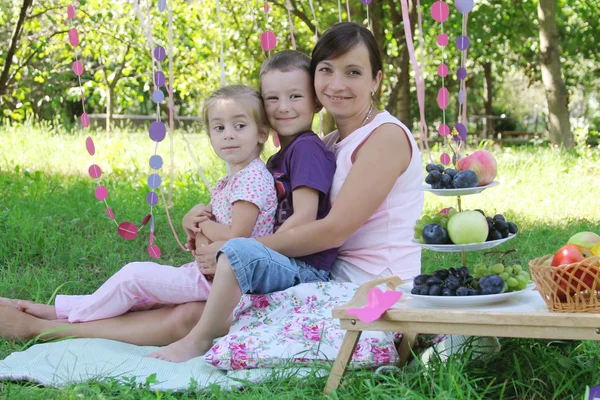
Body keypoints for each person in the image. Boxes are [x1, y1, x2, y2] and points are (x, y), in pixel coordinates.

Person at [0, 22, 424, 354]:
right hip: (325, 278)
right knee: (194, 302)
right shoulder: (330, 142)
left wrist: (233, 250)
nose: (336, 83)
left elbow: (331, 231)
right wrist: (204, 216)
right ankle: (59, 321)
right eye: (326, 70)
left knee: (200, 314)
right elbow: (267, 198)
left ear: (377, 80)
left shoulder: (383, 138)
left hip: (376, 293)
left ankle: (50, 328)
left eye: (354, 72)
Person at [0, 84, 278, 323]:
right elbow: (220, 229)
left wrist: (203, 223)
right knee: (137, 294)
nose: (228, 134)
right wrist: (191, 222)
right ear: (210, 136)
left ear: (262, 133)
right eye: (219, 127)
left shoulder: (251, 178)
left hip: (230, 282)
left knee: (133, 277)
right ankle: (59, 311)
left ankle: (70, 319)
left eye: (239, 126)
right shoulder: (235, 178)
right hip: (213, 274)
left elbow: (237, 237)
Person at [147, 49, 338, 361]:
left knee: (237, 250)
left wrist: (240, 251)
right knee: (220, 263)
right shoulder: (278, 159)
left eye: (295, 96)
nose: (284, 107)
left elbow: (304, 217)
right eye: (272, 99)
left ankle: (199, 339)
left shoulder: (306, 149)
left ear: (315, 101)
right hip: (284, 258)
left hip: (305, 267)